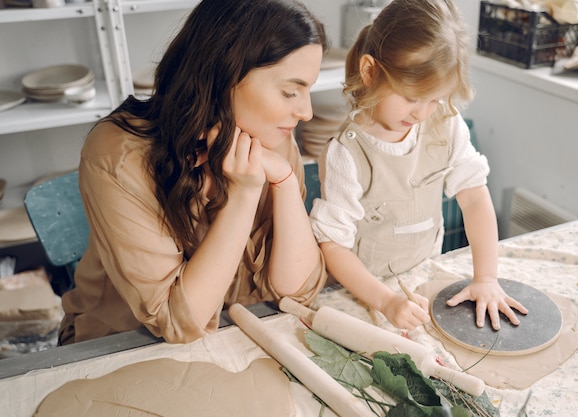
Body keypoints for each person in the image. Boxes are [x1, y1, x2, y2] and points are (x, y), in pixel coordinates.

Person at [58, 0, 329, 345]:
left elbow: (298, 292)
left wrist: (287, 183)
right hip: (119, 343)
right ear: (224, 75)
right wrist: (243, 195)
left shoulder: (271, 135)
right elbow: (178, 321)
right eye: (291, 91)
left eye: (308, 90)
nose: (306, 112)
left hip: (235, 331)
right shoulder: (118, 155)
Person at [309, 0, 527, 331]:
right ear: (370, 71)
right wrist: (386, 301)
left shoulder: (446, 126)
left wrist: (485, 277)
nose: (422, 113)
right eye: (412, 98)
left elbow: (475, 198)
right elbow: (334, 247)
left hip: (425, 277)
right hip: (366, 292)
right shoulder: (346, 153)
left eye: (435, 99)